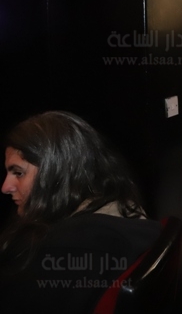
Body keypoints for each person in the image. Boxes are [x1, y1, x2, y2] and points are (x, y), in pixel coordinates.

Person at [0, 111, 161, 314]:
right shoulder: (122, 207)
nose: (5, 187)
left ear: (57, 172)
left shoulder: (65, 249)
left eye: (18, 172)